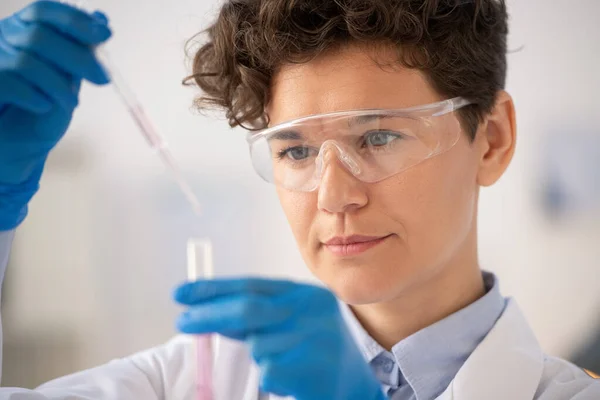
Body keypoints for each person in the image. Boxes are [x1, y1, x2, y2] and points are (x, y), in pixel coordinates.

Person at [0, 0, 598, 399]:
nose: (335, 198)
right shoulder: (194, 380)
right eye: (294, 151)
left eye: (379, 136)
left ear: (491, 139)